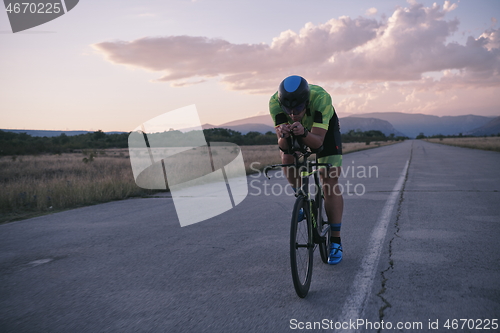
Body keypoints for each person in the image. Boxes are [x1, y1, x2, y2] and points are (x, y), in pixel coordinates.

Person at [269, 75, 344, 265]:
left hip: (324, 134)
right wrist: (284, 135)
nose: (293, 114)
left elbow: (318, 142)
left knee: (329, 182)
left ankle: (335, 240)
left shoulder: (321, 99)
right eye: (288, 110)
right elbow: (283, 146)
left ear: (307, 101)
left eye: (299, 109)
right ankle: (301, 198)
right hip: (297, 132)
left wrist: (303, 132)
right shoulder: (274, 103)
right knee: (287, 157)